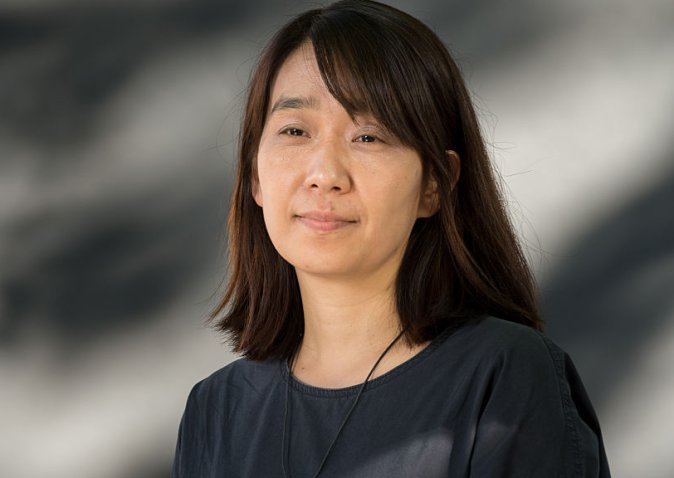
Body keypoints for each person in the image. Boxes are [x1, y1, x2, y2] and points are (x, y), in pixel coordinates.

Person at [172, 1, 610, 476]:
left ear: (433, 185)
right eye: (295, 130)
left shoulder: (503, 378)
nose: (324, 175)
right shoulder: (215, 410)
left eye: (369, 137)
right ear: (254, 176)